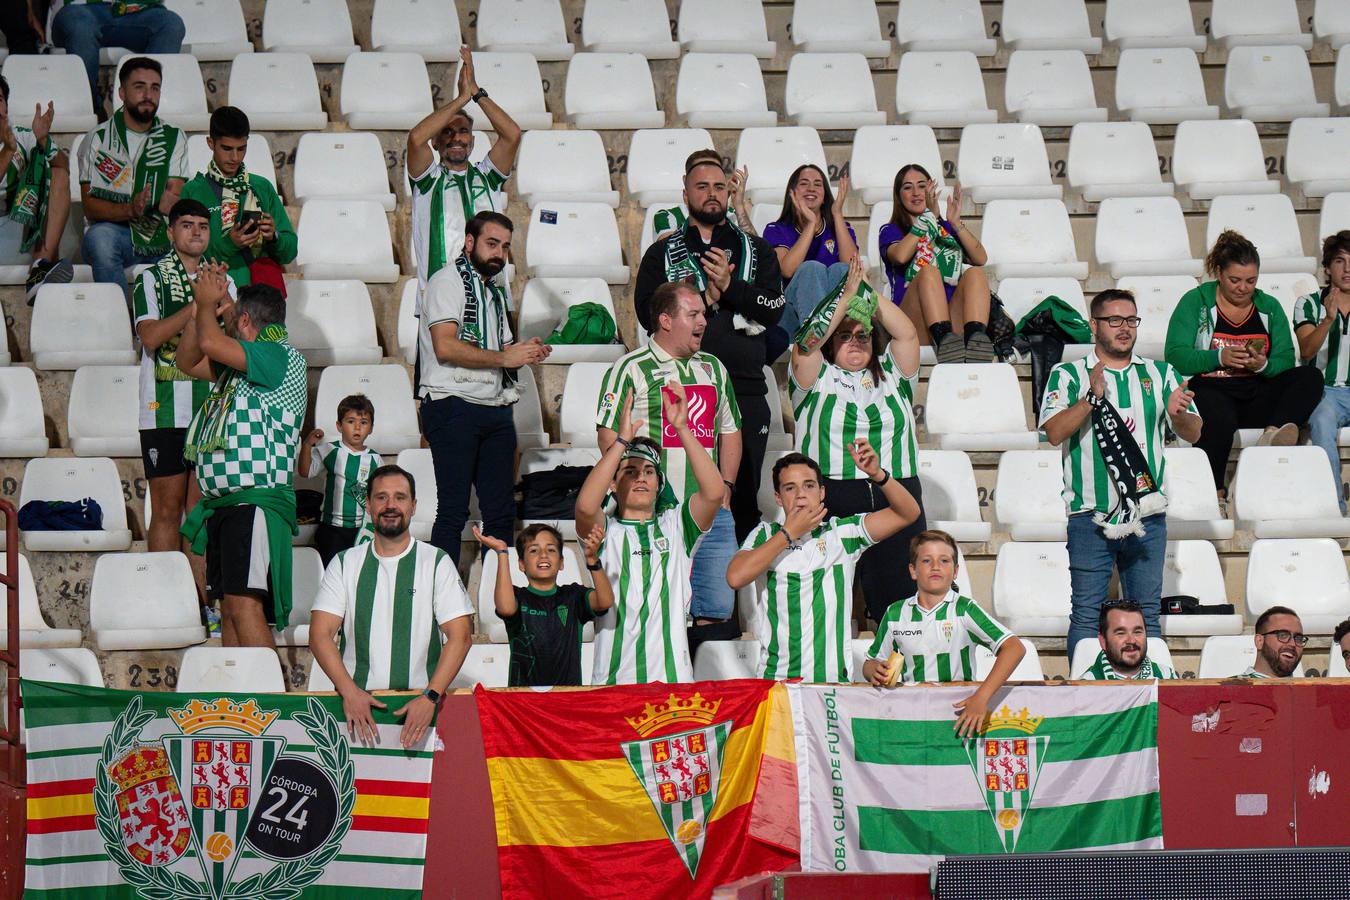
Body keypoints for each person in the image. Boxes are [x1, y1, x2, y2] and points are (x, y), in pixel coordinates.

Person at [634, 151, 785, 550]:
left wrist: (731, 288)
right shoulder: (662, 253)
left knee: (741, 501)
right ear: (686, 194)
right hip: (682, 392)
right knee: (676, 497)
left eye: (720, 186)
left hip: (746, 389)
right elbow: (648, 314)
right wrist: (705, 294)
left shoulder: (755, 250)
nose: (712, 194)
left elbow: (775, 310)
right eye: (702, 187)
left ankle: (733, 610)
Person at [1042, 288, 1203, 651]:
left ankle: (1148, 698)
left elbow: (1194, 432)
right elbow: (1054, 432)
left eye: (1131, 320)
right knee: (1087, 613)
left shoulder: (1161, 374)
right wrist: (1091, 399)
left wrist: (1179, 416)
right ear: (1094, 325)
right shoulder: (1067, 374)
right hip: (1089, 512)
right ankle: (1084, 698)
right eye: (1114, 320)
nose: (1124, 327)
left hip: (1148, 514)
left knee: (1146, 614)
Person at [597, 281, 742, 649]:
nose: (703, 322)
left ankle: (703, 699)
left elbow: (731, 430)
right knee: (656, 609)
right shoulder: (630, 369)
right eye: (692, 314)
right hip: (656, 515)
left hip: (709, 513)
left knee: (716, 609)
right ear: (665, 320)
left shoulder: (713, 368)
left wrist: (726, 487)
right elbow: (608, 437)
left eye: (703, 314)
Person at [790, 257, 929, 622]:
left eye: (862, 335)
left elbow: (908, 334)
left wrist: (865, 291)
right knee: (828, 602)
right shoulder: (816, 376)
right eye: (844, 335)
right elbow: (805, 346)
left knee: (899, 600)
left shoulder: (894, 376)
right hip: (833, 495)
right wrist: (845, 297)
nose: (855, 341)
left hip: (896, 491)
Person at [174, 269, 307, 649]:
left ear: (244, 321)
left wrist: (205, 306)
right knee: (230, 609)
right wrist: (203, 310)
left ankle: (269, 704)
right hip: (228, 507)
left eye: (231, 319)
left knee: (244, 606)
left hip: (254, 505)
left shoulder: (279, 356)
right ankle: (240, 701)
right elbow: (187, 360)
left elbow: (211, 346)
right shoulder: (242, 368)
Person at [418, 211, 550, 565]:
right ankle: (438, 601)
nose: (499, 254)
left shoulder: (492, 291)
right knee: (452, 511)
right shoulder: (447, 282)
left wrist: (525, 353)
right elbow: (445, 347)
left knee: (501, 512)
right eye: (492, 244)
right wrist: (505, 358)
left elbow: (500, 353)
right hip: (452, 405)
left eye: (505, 247)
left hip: (494, 408)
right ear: (470, 242)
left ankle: (499, 597)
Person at [310, 464, 473, 749]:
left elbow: (460, 636)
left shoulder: (436, 562)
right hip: (357, 709)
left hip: (422, 708)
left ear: (413, 506)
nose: (390, 505)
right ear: (369, 505)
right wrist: (350, 692)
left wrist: (430, 697)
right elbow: (320, 635)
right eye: (381, 497)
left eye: (399, 497)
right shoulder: (345, 563)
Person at [728, 447, 919, 683]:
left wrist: (879, 474)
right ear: (778, 497)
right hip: (777, 683)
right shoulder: (766, 534)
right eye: (790, 488)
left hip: (834, 686)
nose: (800, 494)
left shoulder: (842, 533)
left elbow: (908, 514)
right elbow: (735, 577)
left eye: (809, 485)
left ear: (822, 492)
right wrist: (788, 533)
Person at [576, 385, 723, 685]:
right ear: (613, 485)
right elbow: (585, 504)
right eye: (629, 471)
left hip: (672, 681)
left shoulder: (677, 526)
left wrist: (681, 427)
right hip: (612, 681)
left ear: (659, 483)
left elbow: (714, 492)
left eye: (648, 471)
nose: (640, 476)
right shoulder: (605, 531)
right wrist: (620, 442)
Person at [1165, 230, 1325, 496]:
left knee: (1310, 377)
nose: (1243, 288)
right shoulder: (1195, 301)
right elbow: (1175, 354)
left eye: (1251, 281)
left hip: (1255, 392)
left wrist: (1263, 365)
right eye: (1235, 280)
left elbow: (1286, 358)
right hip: (1212, 390)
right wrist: (1218, 357)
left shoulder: (1269, 306)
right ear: (1219, 273)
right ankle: (1213, 492)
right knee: (1217, 414)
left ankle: (1272, 434)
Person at [132, 198, 233, 620]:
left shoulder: (222, 279)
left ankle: (201, 606)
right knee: (167, 509)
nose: (195, 232)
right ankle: (161, 603)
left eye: (202, 226)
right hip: (164, 410)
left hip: (211, 410)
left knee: (201, 511)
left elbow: (235, 334)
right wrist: (198, 306)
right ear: (171, 232)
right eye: (186, 225)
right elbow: (151, 337)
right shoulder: (149, 278)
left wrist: (220, 304)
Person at [863, 530, 1026, 738]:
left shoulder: (965, 609)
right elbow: (871, 662)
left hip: (957, 716)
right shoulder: (895, 613)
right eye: (926, 561)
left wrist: (982, 697)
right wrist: (875, 670)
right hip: (910, 716)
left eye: (944, 560)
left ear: (955, 571)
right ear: (913, 571)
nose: (936, 567)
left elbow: (1014, 648)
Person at [407, 46, 521, 294]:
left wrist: (477, 94)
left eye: (463, 131)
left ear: (472, 141)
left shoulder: (487, 177)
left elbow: (512, 134)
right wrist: (461, 98)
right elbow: (416, 139)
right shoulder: (428, 180)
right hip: (440, 295)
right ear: (435, 142)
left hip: (488, 290)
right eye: (447, 132)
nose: (456, 138)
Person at [77, 56, 189, 295]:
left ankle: (163, 328)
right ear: (121, 92)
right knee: (101, 241)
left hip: (159, 232)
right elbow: (90, 206)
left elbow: (173, 194)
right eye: (139, 87)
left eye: (155, 88)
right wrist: (130, 209)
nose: (148, 94)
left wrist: (171, 202)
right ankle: (120, 320)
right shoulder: (98, 139)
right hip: (113, 234)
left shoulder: (173, 137)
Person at [473, 522, 614, 687]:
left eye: (551, 549)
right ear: (521, 564)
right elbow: (506, 608)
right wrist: (502, 553)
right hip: (524, 701)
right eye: (534, 550)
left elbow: (605, 601)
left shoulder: (573, 596)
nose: (543, 555)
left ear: (561, 562)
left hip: (567, 699)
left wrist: (592, 560)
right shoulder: (517, 597)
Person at [879, 165, 991, 364]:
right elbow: (901, 256)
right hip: (913, 324)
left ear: (931, 189)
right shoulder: (891, 230)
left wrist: (955, 223)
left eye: (922, 186)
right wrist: (928, 218)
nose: (916, 193)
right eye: (907, 187)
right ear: (898, 195)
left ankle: (975, 341)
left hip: (952, 326)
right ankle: (944, 339)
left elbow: (980, 258)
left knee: (975, 274)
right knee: (928, 272)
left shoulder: (946, 229)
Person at [179, 106, 296, 290]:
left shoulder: (261, 187)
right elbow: (186, 254)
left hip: (262, 294)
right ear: (210, 143)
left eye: (241, 149)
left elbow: (290, 252)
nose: (235, 157)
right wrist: (229, 244)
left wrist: (274, 237)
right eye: (227, 148)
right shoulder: (192, 192)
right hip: (214, 293)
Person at [762, 164, 858, 359]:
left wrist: (837, 214)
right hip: (789, 317)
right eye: (804, 184)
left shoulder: (840, 227)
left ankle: (834, 340)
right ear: (792, 192)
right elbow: (787, 270)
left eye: (818, 184)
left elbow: (852, 266)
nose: (811, 189)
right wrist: (811, 224)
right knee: (811, 268)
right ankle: (820, 345)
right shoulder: (776, 229)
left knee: (841, 269)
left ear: (825, 194)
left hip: (835, 321)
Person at [0, 76, 74, 301]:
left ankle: (40, 269)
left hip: (20, 230)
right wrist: (8, 151)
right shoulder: (13, 144)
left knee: (58, 173)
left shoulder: (22, 135)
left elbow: (63, 165)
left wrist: (44, 141)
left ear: (6, 106)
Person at [1295, 231, 1350, 513]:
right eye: (1340, 261)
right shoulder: (1308, 303)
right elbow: (1306, 350)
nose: (1348, 269)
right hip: (1324, 391)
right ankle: (1336, 509)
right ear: (1328, 267)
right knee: (1323, 423)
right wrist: (1328, 319)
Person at [298, 394, 384, 567]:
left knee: (357, 573)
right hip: (332, 528)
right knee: (333, 572)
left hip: (361, 529)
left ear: (372, 428)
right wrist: (307, 445)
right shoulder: (330, 450)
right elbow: (305, 472)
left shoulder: (375, 459)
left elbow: (380, 493)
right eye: (351, 422)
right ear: (339, 426)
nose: (357, 427)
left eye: (364, 422)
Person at [52, 1, 184, 113]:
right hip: (81, 9)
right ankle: (90, 108)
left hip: (134, 12)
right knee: (81, 27)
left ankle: (149, 106)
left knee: (172, 24)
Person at [1080, 600, 1177, 680]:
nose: (1131, 640)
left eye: (1137, 632)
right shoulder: (1086, 686)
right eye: (1121, 633)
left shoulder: (1166, 677)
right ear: (1103, 641)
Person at [1239, 606, 1306, 679]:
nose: (1292, 644)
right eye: (1283, 635)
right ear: (1259, 641)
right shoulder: (1231, 688)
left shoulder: (1310, 689)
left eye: (1299, 638)